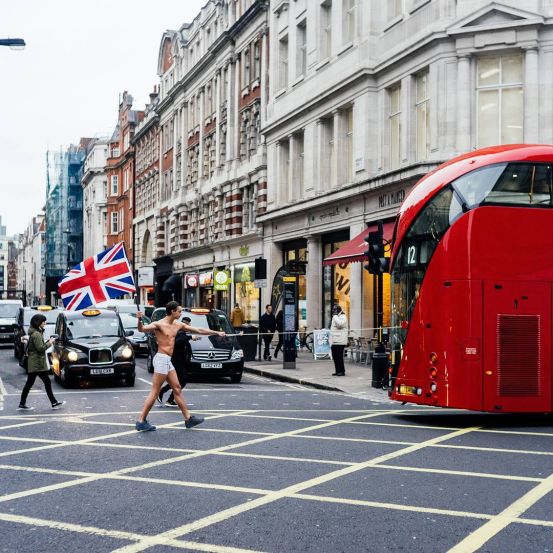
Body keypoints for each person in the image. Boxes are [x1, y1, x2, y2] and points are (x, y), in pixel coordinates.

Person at [135, 301, 225, 432]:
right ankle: (141, 421)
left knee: (177, 388)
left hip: (168, 360)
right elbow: (141, 329)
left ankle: (188, 419)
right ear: (172, 311)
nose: (181, 313)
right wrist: (139, 319)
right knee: (155, 391)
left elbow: (199, 330)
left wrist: (217, 333)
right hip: (161, 359)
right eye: (179, 311)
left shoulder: (178, 325)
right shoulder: (159, 324)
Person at [18, 314, 66, 411]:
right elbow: (40, 348)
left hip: (35, 362)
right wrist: (50, 342)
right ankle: (53, 402)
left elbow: (37, 346)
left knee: (30, 383)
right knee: (45, 382)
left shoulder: (35, 332)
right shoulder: (36, 334)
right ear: (38, 323)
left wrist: (46, 342)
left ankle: (23, 404)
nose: (45, 323)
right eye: (44, 321)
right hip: (37, 363)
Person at [157, 317, 199, 407]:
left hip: (179, 360)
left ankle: (169, 399)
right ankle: (164, 394)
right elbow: (178, 342)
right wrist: (190, 337)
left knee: (179, 381)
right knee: (182, 380)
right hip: (177, 360)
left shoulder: (181, 332)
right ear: (188, 324)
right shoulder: (180, 332)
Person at [330, 305, 348, 376]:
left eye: (335, 310)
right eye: (333, 310)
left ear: (339, 310)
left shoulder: (343, 316)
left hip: (340, 340)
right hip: (335, 340)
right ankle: (337, 370)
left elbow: (340, 324)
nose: (334, 311)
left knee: (339, 356)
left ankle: (342, 371)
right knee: (335, 356)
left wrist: (335, 316)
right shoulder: (336, 317)